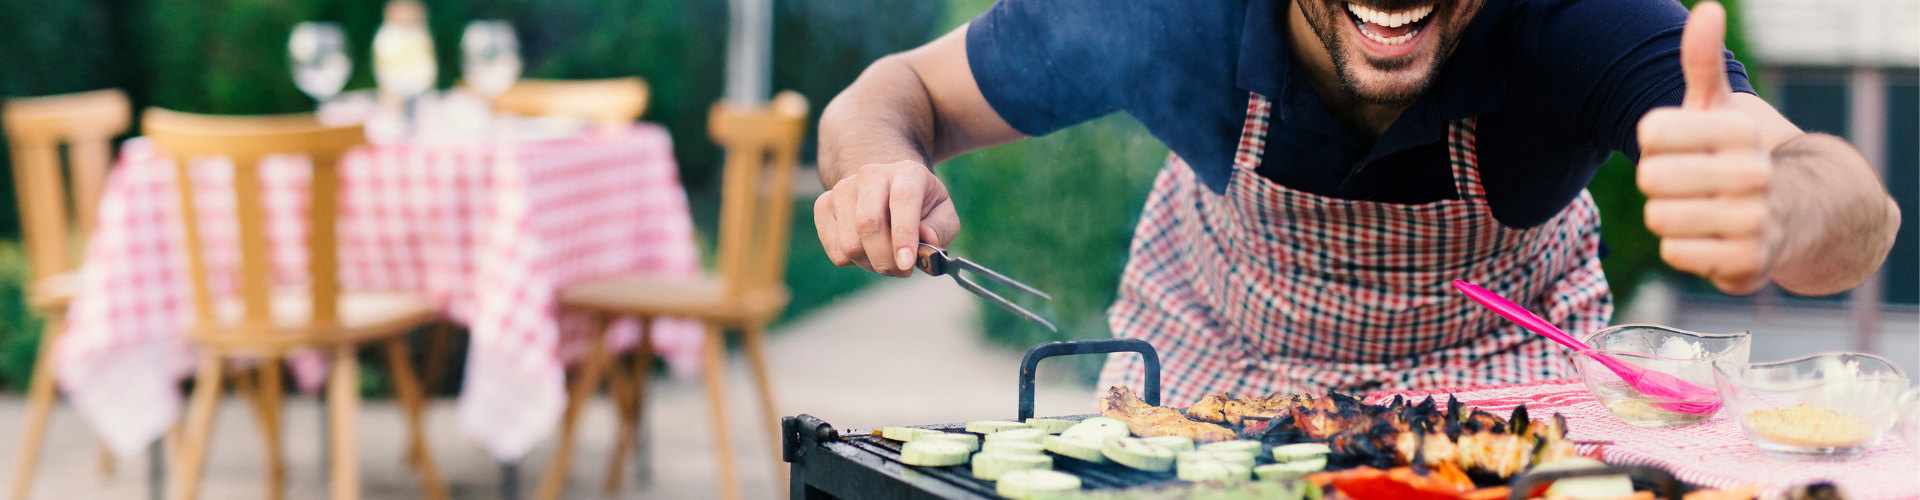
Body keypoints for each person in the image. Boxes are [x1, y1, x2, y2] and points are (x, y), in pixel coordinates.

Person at [811, 0, 1901, 405]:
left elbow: (1853, 205)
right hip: (1214, 360)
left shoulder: (1578, 22)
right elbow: (894, 94)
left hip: (1497, 381)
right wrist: (873, 166)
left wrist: (1782, 213)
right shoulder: (1166, 14)